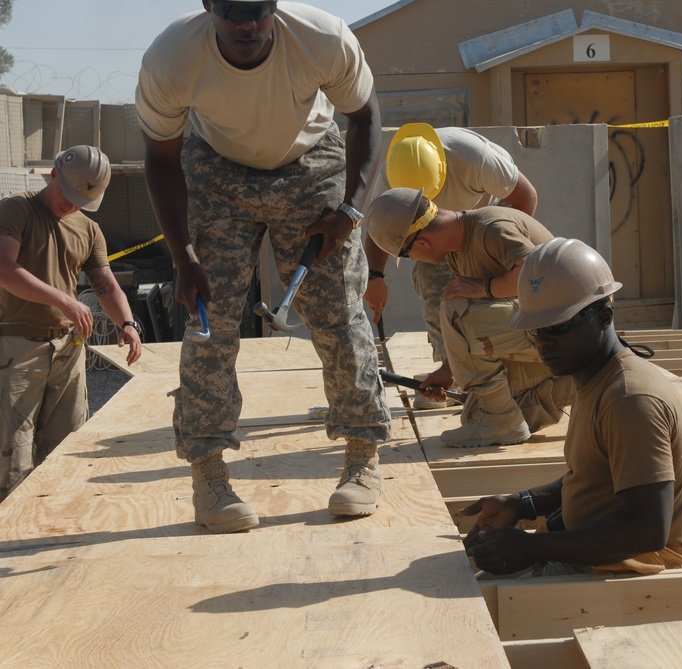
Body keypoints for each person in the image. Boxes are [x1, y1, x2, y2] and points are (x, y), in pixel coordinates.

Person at [136, 0, 391, 533]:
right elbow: (161, 160)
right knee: (210, 319)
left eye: (259, 9)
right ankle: (209, 475)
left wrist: (349, 211)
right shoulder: (172, 58)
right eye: (232, 11)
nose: (247, 24)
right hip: (216, 167)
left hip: (311, 161)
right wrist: (183, 257)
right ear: (208, 7)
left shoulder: (323, 38)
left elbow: (365, 116)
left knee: (338, 311)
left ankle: (362, 459)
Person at [461, 238, 682, 576]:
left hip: (645, 560)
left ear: (604, 316)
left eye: (559, 327)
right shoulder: (593, 375)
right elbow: (593, 477)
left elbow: (648, 530)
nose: (544, 342)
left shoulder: (629, 399)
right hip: (604, 546)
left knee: (476, 600)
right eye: (536, 330)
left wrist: (532, 548)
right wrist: (522, 503)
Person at [366, 187, 572, 448]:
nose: (413, 259)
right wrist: (448, 371)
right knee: (475, 415)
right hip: (543, 340)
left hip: (564, 336)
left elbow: (535, 275)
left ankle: (503, 417)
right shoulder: (458, 251)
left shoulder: (492, 226)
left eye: (406, 254)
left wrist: (485, 288)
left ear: (421, 243)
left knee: (455, 306)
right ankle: (572, 385)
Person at [0, 145, 143, 502]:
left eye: (83, 199)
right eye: (68, 193)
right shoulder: (18, 209)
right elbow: (4, 268)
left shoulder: (88, 229)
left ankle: (53, 522)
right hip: (18, 347)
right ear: (53, 175)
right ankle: (11, 537)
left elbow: (106, 284)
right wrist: (63, 298)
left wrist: (127, 322)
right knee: (12, 451)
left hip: (68, 348)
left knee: (66, 445)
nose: (72, 204)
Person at [363, 123, 538, 408]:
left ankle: (495, 371)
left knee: (493, 293)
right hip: (440, 234)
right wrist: (375, 277)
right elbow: (377, 230)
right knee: (437, 286)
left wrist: (497, 256)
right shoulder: (391, 177)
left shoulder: (474, 159)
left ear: (443, 173)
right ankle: (454, 372)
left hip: (485, 224)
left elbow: (526, 198)